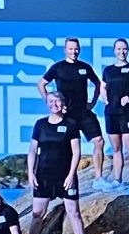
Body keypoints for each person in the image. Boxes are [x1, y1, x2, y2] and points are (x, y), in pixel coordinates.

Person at [27, 86, 98, 234]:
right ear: (47, 103)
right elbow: (32, 151)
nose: (54, 104)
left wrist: (71, 174)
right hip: (43, 176)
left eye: (57, 101)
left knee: (74, 212)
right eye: (51, 101)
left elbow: (76, 152)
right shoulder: (40, 125)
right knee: (37, 214)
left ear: (63, 103)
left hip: (65, 176)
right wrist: (31, 173)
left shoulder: (71, 124)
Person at [42, 38, 105, 193]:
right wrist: (52, 103)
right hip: (66, 114)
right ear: (65, 50)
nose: (74, 52)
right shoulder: (57, 68)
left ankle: (98, 179)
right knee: (67, 147)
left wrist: (93, 102)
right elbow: (41, 84)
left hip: (84, 112)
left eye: (76, 49)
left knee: (99, 141)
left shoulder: (85, 67)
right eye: (70, 49)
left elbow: (98, 83)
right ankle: (63, 178)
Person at [100, 37, 129, 191]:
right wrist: (105, 99)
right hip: (111, 113)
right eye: (119, 49)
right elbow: (103, 87)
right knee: (116, 148)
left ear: (128, 50)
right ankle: (117, 180)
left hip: (127, 113)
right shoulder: (108, 70)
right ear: (114, 51)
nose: (122, 52)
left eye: (124, 49)